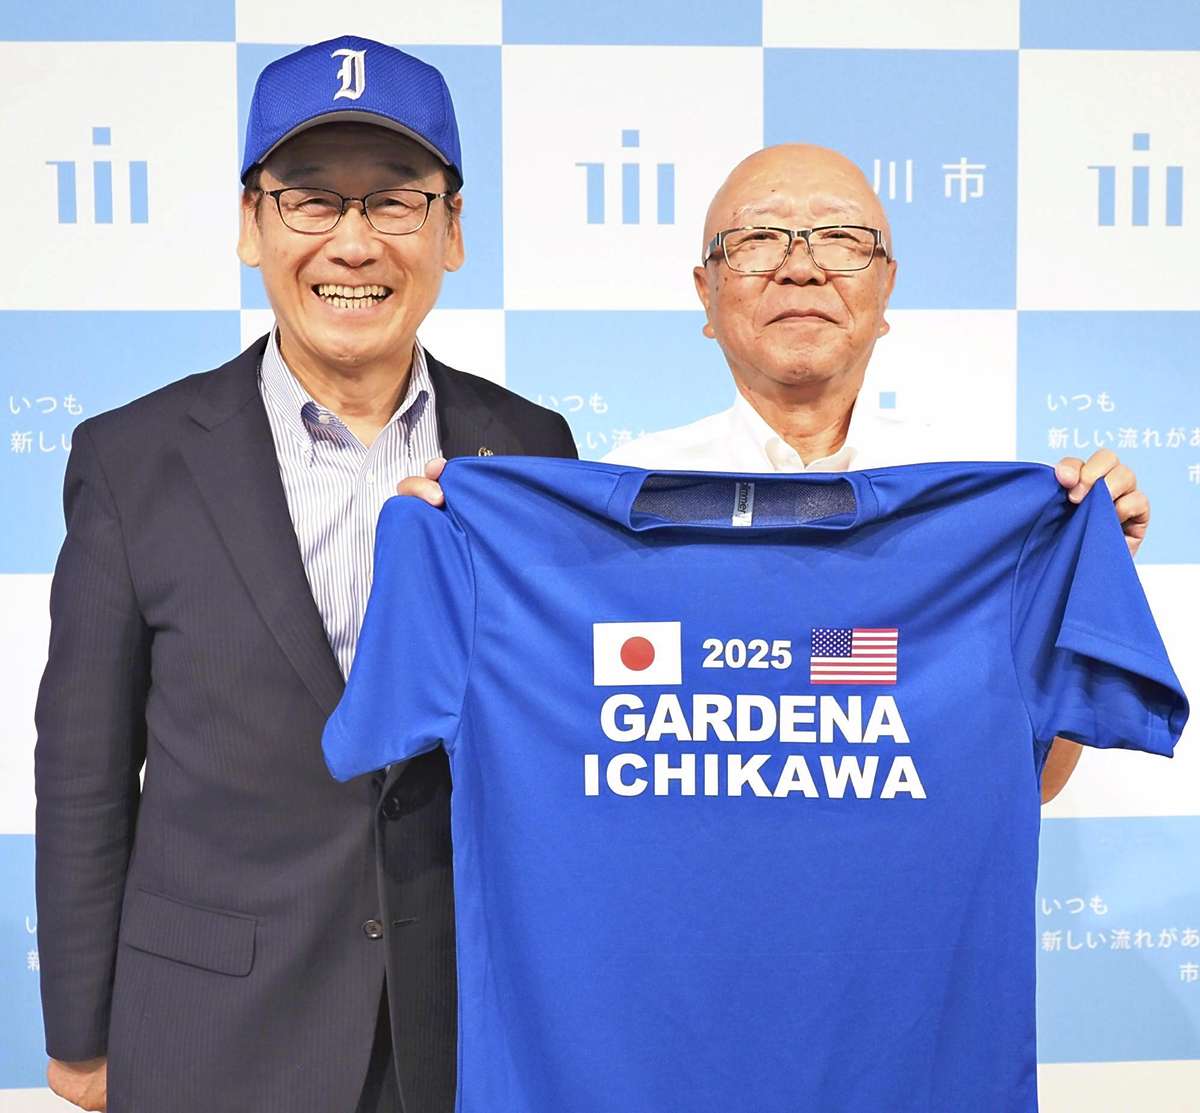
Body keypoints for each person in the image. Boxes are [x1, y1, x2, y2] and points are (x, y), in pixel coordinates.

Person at [35, 35, 574, 1113]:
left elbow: (553, 745)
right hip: (211, 1028)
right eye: (312, 200)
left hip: (459, 1026)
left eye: (397, 201)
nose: (354, 242)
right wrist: (80, 1033)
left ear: (453, 230)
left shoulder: (530, 450)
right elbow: (85, 769)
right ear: (252, 225)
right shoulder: (134, 459)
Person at [402, 144, 1151, 803]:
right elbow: (555, 761)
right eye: (759, 239)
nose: (801, 267)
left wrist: (1079, 571)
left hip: (894, 919)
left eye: (841, 239)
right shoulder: (613, 501)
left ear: (886, 288)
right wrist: (452, 552)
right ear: (706, 292)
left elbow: (1024, 779)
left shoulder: (978, 514)